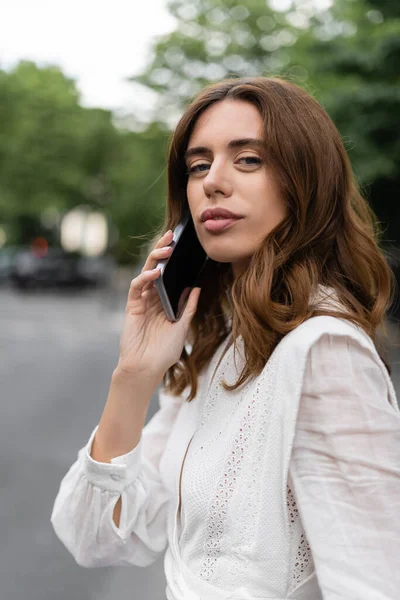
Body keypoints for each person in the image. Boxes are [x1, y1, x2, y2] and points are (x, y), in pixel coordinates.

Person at [51, 77, 400, 600]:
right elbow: (97, 539)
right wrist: (134, 375)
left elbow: (374, 580)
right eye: (197, 165)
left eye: (249, 160)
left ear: (306, 181)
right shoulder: (217, 344)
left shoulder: (322, 351)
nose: (213, 181)